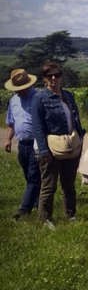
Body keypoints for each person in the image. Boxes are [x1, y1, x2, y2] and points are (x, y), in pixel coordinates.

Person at [32, 63, 85, 228]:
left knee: (68, 184)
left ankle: (71, 215)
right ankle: (45, 218)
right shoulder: (40, 98)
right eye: (50, 75)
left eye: (57, 74)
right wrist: (43, 150)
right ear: (44, 79)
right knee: (49, 185)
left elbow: (75, 120)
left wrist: (80, 139)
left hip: (70, 145)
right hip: (51, 147)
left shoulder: (68, 96)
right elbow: (38, 126)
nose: (54, 78)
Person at [4, 69, 40, 220]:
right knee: (28, 175)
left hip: (36, 143)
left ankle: (24, 210)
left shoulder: (38, 97)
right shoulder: (14, 100)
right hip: (22, 144)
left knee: (33, 176)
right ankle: (36, 201)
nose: (18, 91)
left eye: (20, 88)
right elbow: (12, 123)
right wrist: (8, 139)